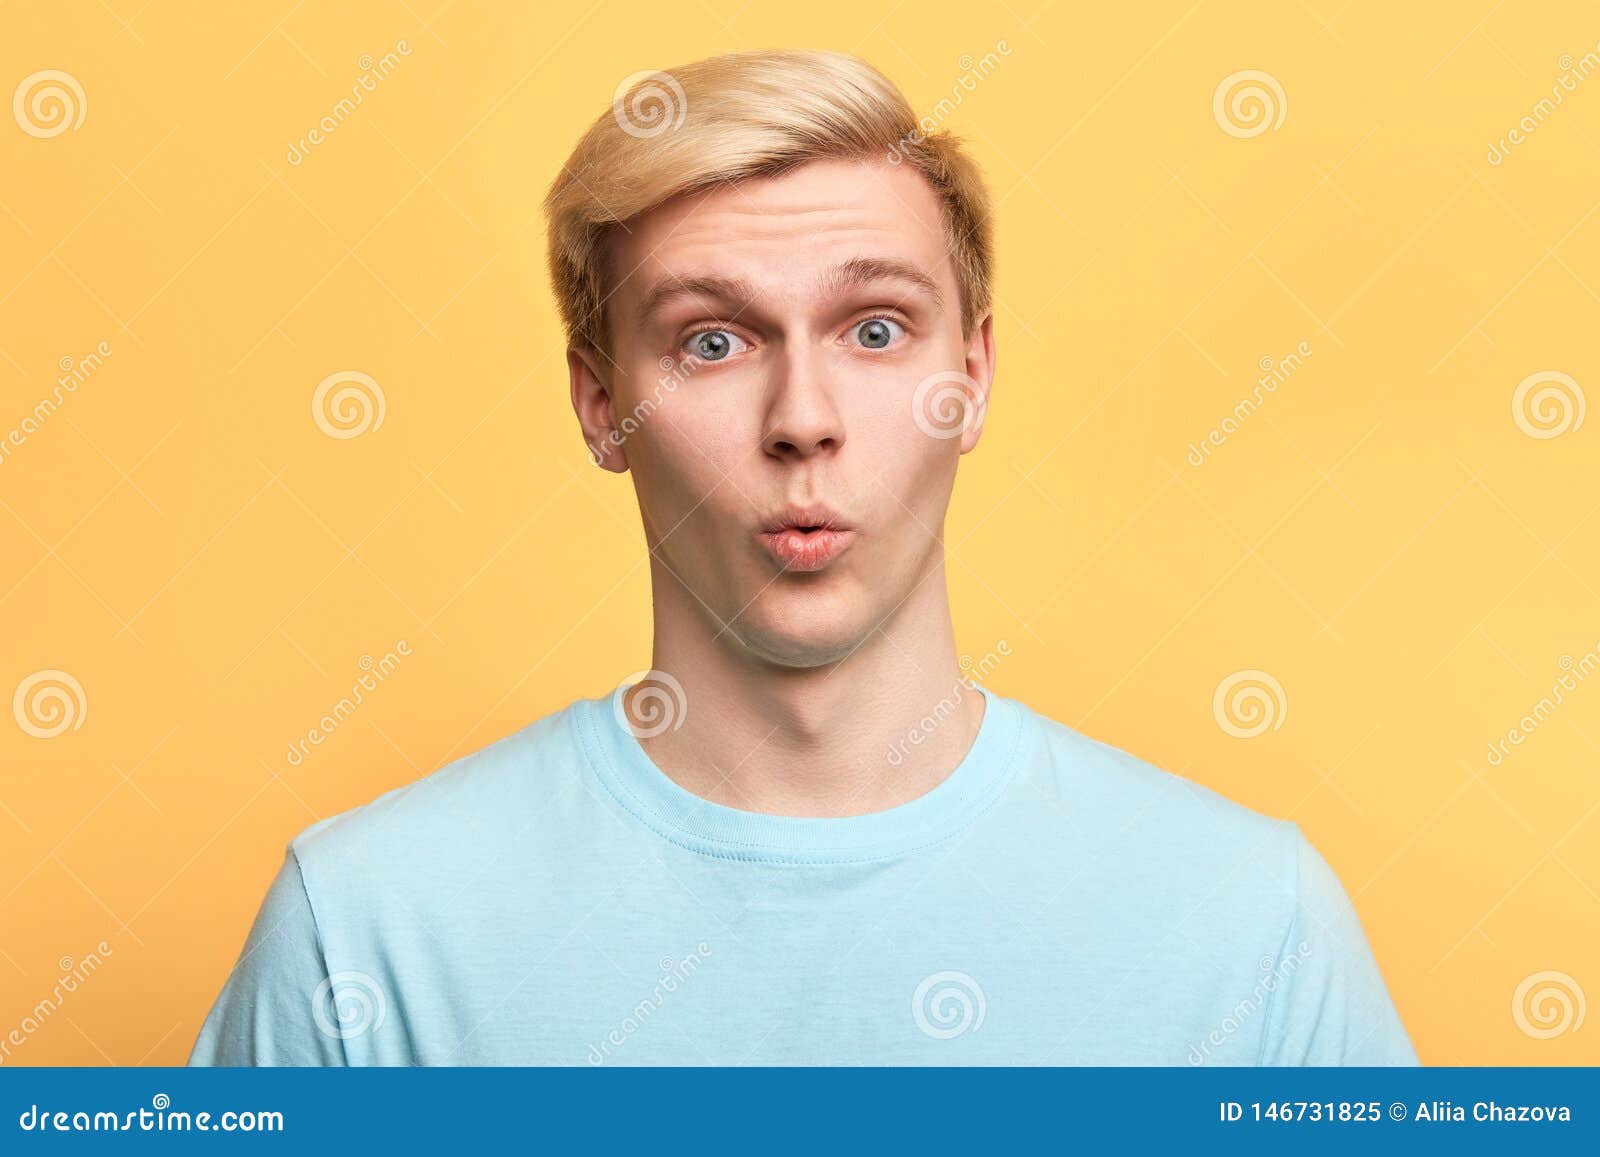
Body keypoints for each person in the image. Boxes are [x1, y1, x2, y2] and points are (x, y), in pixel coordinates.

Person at [189, 49, 1415, 1066]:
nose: (803, 417)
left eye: (875, 328)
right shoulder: (363, 926)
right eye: (712, 340)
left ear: (971, 377)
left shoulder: (1252, 921)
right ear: (600, 400)